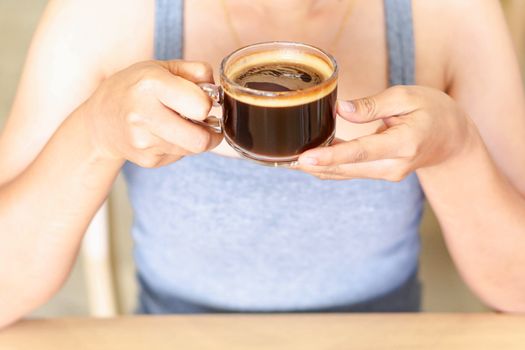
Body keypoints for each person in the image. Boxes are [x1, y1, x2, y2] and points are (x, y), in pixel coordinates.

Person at [1, 0, 525, 326]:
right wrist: (95, 132)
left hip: (383, 332)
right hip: (176, 336)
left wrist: (456, 150)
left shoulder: (449, 13)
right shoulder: (107, 12)